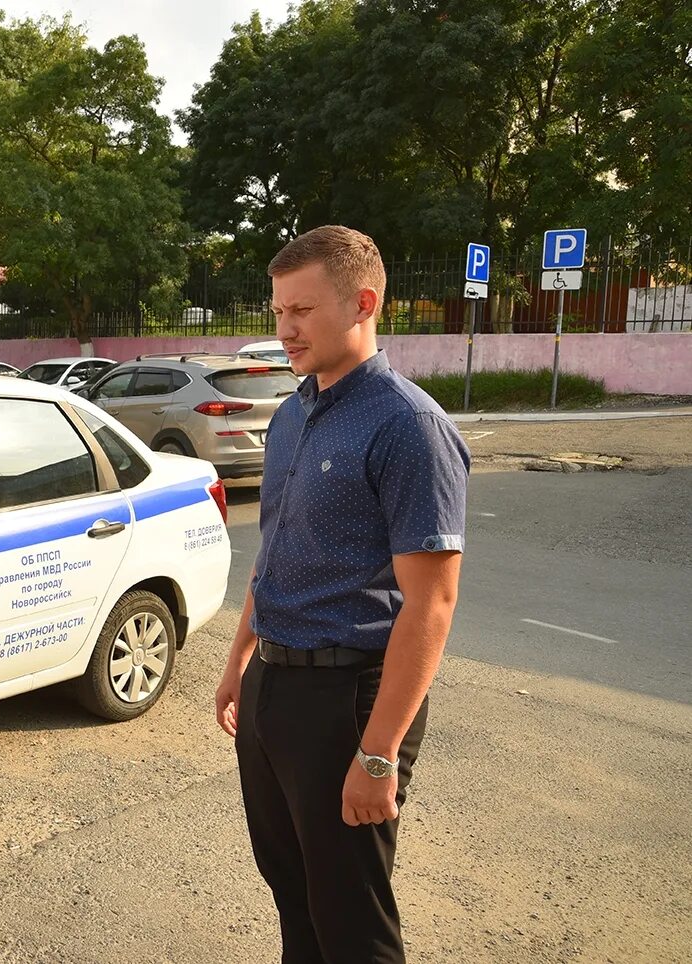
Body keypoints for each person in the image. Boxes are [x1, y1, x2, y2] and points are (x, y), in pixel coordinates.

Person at [213, 225, 470, 964]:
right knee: (293, 895)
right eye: (277, 311)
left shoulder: (408, 426)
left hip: (349, 697)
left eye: (301, 310)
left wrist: (380, 753)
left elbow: (433, 604)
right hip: (275, 689)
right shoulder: (293, 413)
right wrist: (239, 663)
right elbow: (277, 557)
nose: (284, 329)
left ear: (362, 304)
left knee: (351, 919)